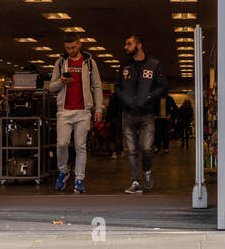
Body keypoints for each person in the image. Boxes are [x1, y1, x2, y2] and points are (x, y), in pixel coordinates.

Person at [46, 34, 104, 193]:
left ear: (79, 45)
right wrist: (61, 82)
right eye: (67, 48)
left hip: (83, 112)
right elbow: (51, 87)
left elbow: (97, 87)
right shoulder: (60, 63)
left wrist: (99, 108)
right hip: (64, 111)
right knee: (62, 144)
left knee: (80, 146)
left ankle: (79, 179)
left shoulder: (90, 63)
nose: (70, 51)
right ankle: (63, 172)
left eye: (73, 47)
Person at [116, 34, 168, 194]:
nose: (126, 47)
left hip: (147, 114)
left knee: (146, 148)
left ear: (138, 45)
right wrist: (126, 99)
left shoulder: (154, 65)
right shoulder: (124, 66)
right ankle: (135, 182)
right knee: (131, 150)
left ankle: (147, 171)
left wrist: (149, 98)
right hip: (128, 114)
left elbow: (163, 86)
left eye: (129, 44)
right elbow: (117, 87)